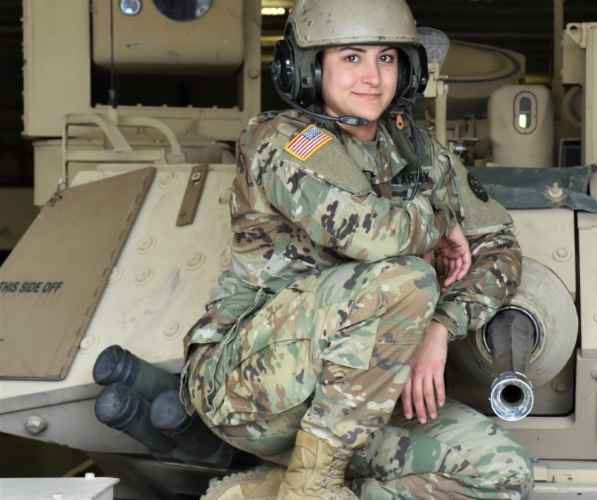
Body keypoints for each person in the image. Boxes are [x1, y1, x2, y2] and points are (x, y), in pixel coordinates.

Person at [179, 0, 533, 498]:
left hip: (361, 399)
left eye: (386, 58)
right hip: (251, 387)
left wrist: (441, 326)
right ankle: (311, 486)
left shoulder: (418, 150)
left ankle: (273, 491)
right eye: (351, 57)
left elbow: (499, 247)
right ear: (307, 68)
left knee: (501, 474)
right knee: (406, 279)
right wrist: (440, 221)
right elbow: (374, 236)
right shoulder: (282, 141)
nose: (372, 76)